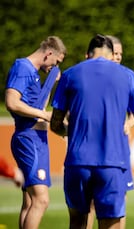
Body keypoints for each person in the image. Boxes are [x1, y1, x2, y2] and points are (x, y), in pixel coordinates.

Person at [50, 34, 134, 229]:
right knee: (110, 224)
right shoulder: (126, 75)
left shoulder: (70, 74)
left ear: (88, 54)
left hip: (77, 164)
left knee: (77, 223)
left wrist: (69, 131)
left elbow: (55, 123)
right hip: (111, 164)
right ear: (110, 54)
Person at [5, 35, 66, 229]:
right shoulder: (23, 68)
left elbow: (38, 105)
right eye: (55, 62)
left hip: (37, 139)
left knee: (30, 202)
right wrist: (44, 115)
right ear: (48, 53)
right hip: (29, 139)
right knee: (41, 200)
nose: (54, 66)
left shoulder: (34, 72)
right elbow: (12, 102)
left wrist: (50, 83)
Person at [85, 34, 134, 229]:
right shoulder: (87, 77)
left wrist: (128, 125)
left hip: (118, 150)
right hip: (92, 148)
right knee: (89, 203)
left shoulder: (126, 77)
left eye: (120, 54)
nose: (118, 57)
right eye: (115, 53)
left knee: (119, 201)